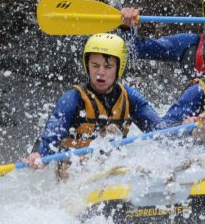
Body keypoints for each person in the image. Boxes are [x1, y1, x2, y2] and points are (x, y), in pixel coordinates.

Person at [23, 33, 163, 174]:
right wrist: (40, 154)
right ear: (87, 66)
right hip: (73, 174)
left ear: (119, 68)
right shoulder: (73, 98)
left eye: (108, 67)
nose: (100, 72)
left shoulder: (130, 97)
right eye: (95, 66)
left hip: (114, 169)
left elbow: (160, 132)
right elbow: (53, 132)